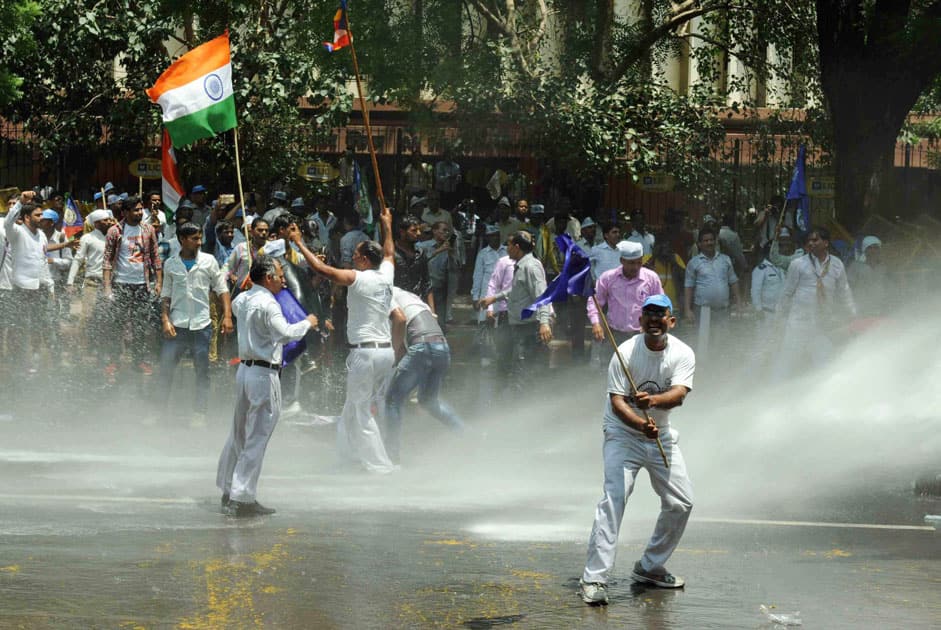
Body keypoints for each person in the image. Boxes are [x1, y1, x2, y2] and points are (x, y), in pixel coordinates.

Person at [579, 294, 695, 605]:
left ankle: (650, 567)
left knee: (681, 503)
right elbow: (618, 403)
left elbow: (680, 394)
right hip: (622, 434)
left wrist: (653, 403)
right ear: (640, 321)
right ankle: (594, 579)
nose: (655, 319)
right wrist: (640, 423)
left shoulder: (683, 353)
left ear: (671, 321)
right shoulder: (624, 353)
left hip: (661, 434)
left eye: (661, 314)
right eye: (649, 314)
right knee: (614, 498)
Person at [289, 206, 398, 474]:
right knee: (352, 408)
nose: (352, 257)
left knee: (360, 412)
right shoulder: (387, 273)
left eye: (355, 253)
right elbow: (390, 252)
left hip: (366, 353)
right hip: (385, 353)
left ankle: (381, 467)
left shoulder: (358, 278)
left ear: (362, 259)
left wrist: (299, 242)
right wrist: (387, 224)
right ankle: (348, 457)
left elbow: (322, 270)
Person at [216, 254, 317, 517]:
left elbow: (239, 304)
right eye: (280, 275)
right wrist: (307, 323)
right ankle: (242, 496)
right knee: (257, 436)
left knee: (238, 432)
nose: (284, 280)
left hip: (245, 371)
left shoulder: (243, 299)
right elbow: (284, 334)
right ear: (268, 277)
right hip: (263, 373)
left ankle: (228, 489)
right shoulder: (268, 304)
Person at [159, 223, 233, 423]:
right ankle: (160, 411)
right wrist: (165, 320)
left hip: (202, 325)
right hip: (177, 325)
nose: (199, 242)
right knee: (166, 368)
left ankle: (199, 413)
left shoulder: (209, 261)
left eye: (200, 238)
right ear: (183, 239)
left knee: (202, 371)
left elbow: (222, 289)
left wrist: (227, 316)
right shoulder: (171, 264)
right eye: (194, 239)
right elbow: (165, 295)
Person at [384, 287, 464, 464]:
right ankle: (466, 436)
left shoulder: (385, 293)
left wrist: (393, 352)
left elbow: (400, 320)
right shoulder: (413, 298)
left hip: (422, 347)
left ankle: (391, 457)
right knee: (429, 401)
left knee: (392, 400)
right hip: (442, 348)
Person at [775, 227, 856, 377]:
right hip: (798, 323)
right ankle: (773, 393)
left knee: (825, 363)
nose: (811, 243)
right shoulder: (798, 264)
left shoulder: (837, 264)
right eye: (809, 241)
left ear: (826, 243)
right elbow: (787, 293)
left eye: (815, 240)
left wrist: (851, 312)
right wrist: (779, 318)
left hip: (822, 323)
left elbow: (844, 291)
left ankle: (822, 396)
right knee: (787, 362)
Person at [479, 231, 552, 392]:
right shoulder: (521, 265)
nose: (506, 249)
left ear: (517, 247)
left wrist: (544, 323)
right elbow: (517, 290)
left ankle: (525, 405)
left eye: (509, 246)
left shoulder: (531, 266)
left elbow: (542, 296)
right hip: (519, 326)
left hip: (529, 327)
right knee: (519, 366)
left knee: (525, 368)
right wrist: (494, 298)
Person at [587, 241, 663, 367]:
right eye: (631, 263)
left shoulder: (651, 278)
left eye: (639, 262)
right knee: (611, 371)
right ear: (622, 260)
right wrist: (596, 324)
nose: (635, 267)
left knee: (639, 373)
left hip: (642, 336)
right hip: (615, 336)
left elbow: (660, 305)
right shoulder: (608, 278)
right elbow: (594, 302)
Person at [683, 226, 741, 354]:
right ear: (699, 244)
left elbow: (733, 281)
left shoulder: (725, 260)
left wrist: (738, 303)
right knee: (704, 344)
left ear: (716, 241)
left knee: (722, 344)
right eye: (705, 240)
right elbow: (688, 287)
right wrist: (688, 309)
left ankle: (720, 369)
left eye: (711, 240)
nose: (709, 243)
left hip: (723, 310)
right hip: (704, 310)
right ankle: (705, 370)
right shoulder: (694, 263)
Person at [67, 209, 111, 336]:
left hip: (109, 283)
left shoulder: (113, 238)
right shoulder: (87, 238)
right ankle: (83, 347)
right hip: (92, 283)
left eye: (109, 219)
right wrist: (70, 282)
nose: (108, 222)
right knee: (87, 316)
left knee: (106, 318)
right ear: (96, 223)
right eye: (105, 220)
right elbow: (78, 260)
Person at [393, 214, 434, 309]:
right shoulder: (390, 254)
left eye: (419, 230)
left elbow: (427, 282)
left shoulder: (420, 252)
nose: (419, 233)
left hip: (417, 304)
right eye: (414, 230)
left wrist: (432, 311)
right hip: (396, 306)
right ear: (402, 232)